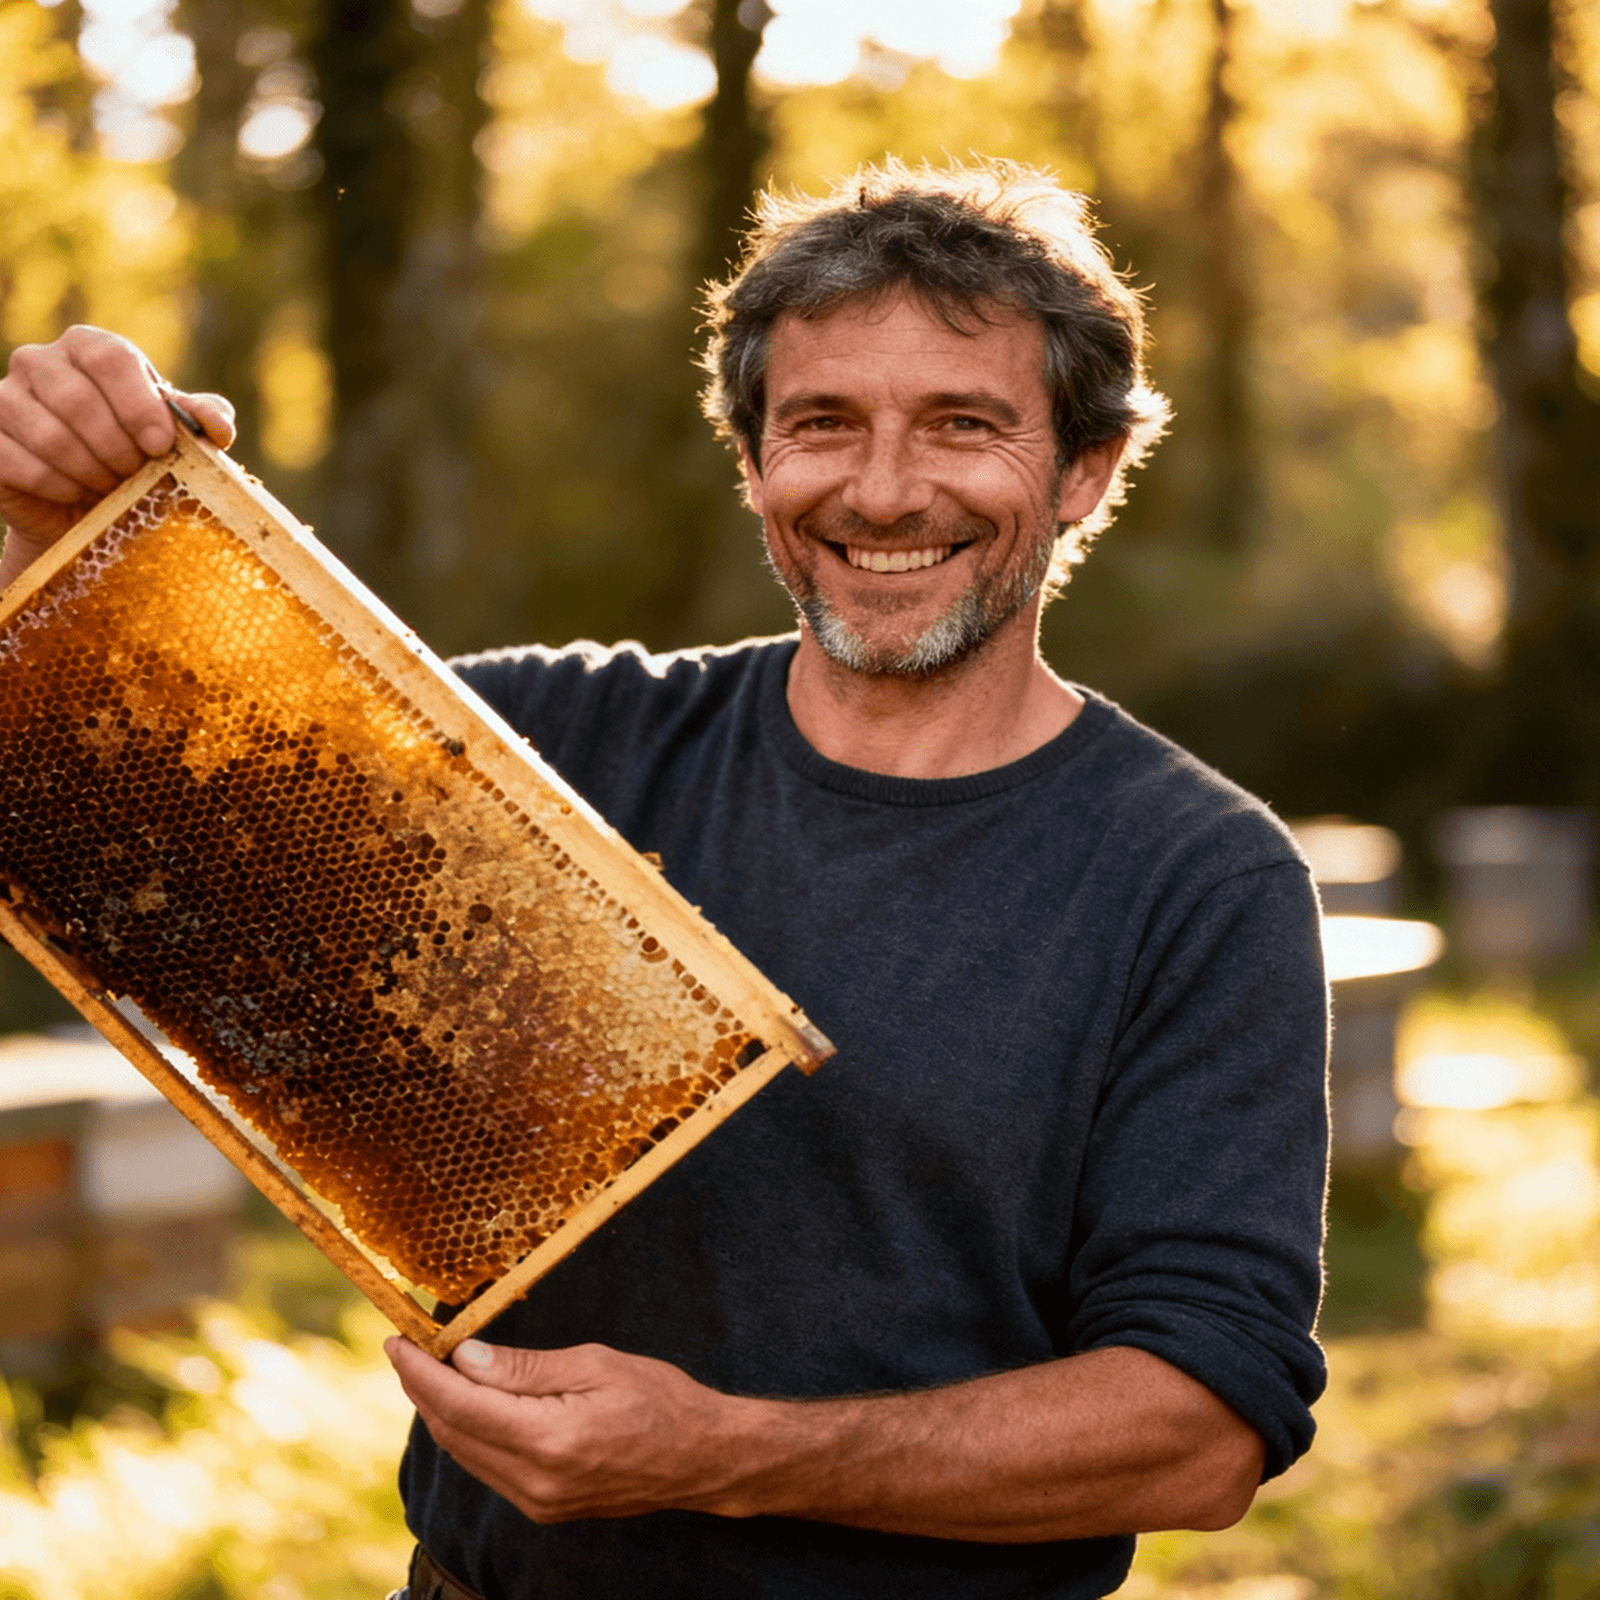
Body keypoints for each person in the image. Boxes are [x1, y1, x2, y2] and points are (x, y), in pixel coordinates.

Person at [0, 159, 1328, 1600]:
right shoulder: (540, 746)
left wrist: (730, 1456)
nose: (884, 490)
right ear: (752, 461)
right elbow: (86, 792)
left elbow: (1202, 1431)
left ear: (1084, 470)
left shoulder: (1199, 878)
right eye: (822, 423)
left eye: (964, 424)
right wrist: (58, 527)